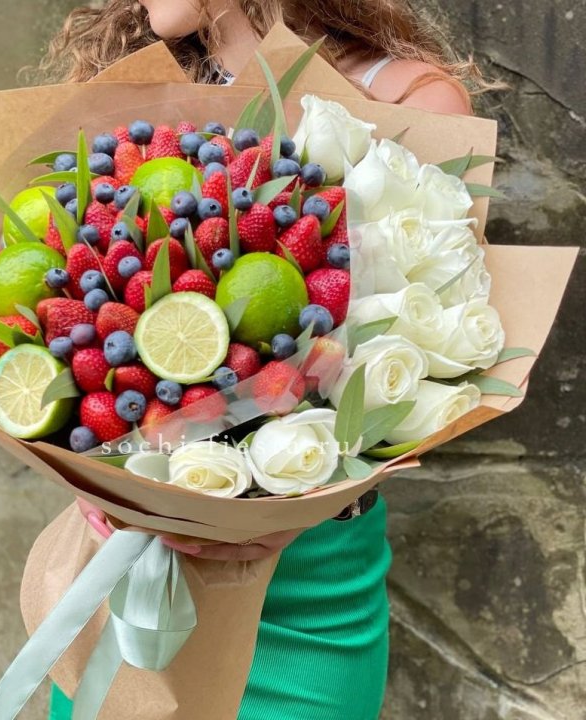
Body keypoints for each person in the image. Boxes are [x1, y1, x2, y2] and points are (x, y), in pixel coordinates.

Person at [36, 2, 502, 718]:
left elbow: (431, 362)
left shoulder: (413, 101)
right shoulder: (131, 91)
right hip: (127, 577)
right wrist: (104, 480)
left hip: (309, 589)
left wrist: (300, 502)